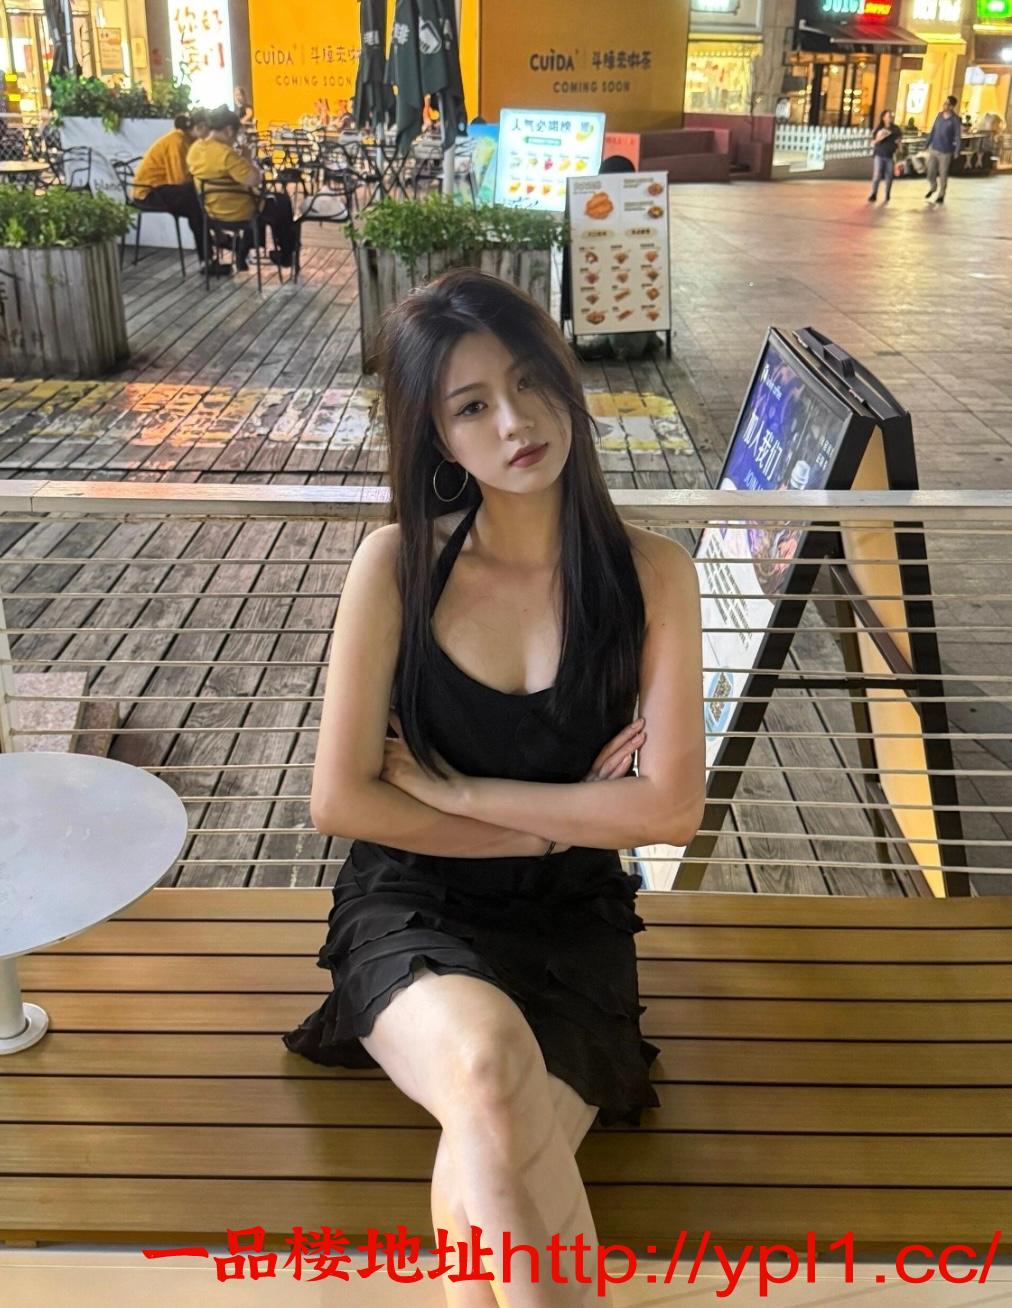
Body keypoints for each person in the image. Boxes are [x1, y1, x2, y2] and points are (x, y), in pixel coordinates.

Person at [282, 269, 706, 1305]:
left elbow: (667, 809)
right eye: (471, 406)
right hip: (411, 909)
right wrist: (556, 825)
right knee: (482, 1069)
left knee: (493, 1148)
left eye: (528, 381)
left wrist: (461, 795)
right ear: (437, 438)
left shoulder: (652, 574)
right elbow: (342, 802)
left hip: (572, 925)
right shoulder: (396, 568)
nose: (515, 421)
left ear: (566, 377)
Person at [186, 106, 297, 269]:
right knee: (281, 202)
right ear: (229, 130)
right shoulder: (225, 154)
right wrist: (247, 158)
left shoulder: (195, 148)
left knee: (268, 203)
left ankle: (245, 253)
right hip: (238, 211)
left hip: (211, 211)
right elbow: (254, 180)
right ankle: (286, 254)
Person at [132, 111, 213, 264]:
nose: (210, 133)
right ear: (200, 127)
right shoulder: (177, 141)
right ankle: (212, 249)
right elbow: (179, 180)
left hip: (160, 188)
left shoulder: (188, 141)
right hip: (148, 192)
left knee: (197, 206)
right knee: (195, 199)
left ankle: (209, 254)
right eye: (208, 128)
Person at [925, 94, 961, 204]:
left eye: (947, 104)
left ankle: (941, 194)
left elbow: (958, 136)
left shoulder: (955, 120)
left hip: (946, 152)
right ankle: (933, 186)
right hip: (934, 148)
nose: (944, 105)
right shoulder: (939, 115)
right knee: (930, 171)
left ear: (952, 106)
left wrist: (957, 150)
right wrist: (927, 143)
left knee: (943, 174)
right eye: (944, 103)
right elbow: (933, 130)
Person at [868, 109, 901, 204]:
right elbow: (873, 142)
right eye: (888, 116)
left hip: (890, 156)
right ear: (883, 118)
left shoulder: (895, 129)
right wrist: (880, 137)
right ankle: (874, 193)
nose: (890, 118)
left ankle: (887, 193)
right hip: (879, 154)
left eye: (891, 116)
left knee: (889, 176)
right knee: (877, 175)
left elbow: (899, 141)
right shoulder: (878, 128)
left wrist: (899, 147)